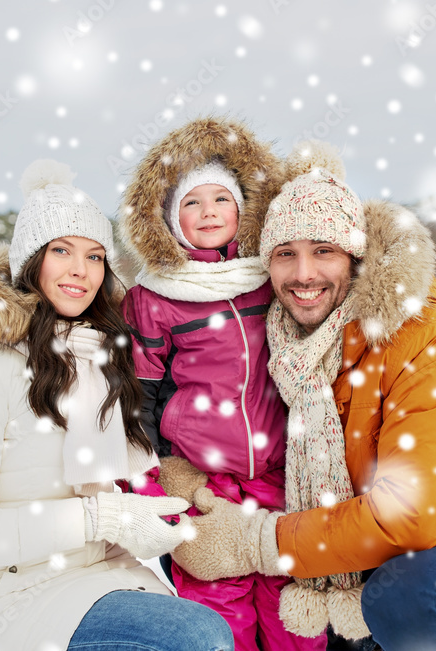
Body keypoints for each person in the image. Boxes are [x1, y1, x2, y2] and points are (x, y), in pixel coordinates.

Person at [162, 141, 436, 651]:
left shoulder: (421, 337)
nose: (304, 275)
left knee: (408, 601)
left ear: (356, 256)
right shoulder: (280, 345)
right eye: (285, 255)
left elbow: (415, 516)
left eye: (324, 251)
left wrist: (257, 542)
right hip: (348, 567)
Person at [0, 158, 234, 651]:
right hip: (20, 590)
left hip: (112, 571)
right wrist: (103, 518)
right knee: (199, 638)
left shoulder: (101, 354)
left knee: (211, 634)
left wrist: (160, 515)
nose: (80, 270)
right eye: (62, 251)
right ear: (30, 260)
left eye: (95, 257)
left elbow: (136, 471)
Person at [118, 117, 327, 651]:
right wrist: (155, 492)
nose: (208, 211)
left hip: (285, 482)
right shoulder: (155, 297)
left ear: (244, 209)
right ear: (168, 218)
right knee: (218, 623)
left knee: (295, 621)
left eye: (220, 198)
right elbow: (135, 402)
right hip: (207, 487)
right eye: (191, 202)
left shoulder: (273, 278)